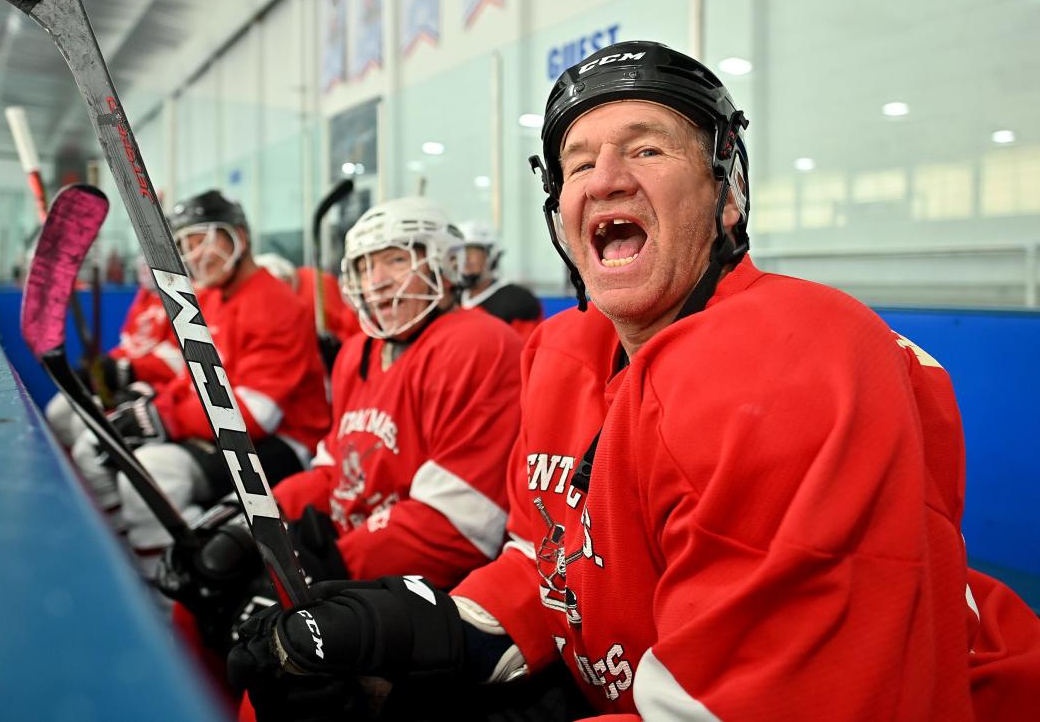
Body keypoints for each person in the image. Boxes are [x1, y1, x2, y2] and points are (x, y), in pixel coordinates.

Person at [226, 41, 1040, 721]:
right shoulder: (562, 352)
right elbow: (550, 565)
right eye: (578, 162)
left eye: (647, 147)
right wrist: (432, 627)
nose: (605, 177)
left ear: (728, 195)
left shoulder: (797, 358)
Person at [163, 196, 523, 665]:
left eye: (397, 259)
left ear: (446, 264)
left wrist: (320, 569)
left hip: (427, 586)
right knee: (201, 607)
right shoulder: (358, 352)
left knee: (274, 671)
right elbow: (334, 471)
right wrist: (253, 520)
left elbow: (457, 527)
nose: (378, 281)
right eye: (366, 265)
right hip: (356, 549)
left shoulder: (480, 344)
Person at [72, 189, 331, 576]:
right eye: (186, 244)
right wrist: (154, 407)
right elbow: (191, 378)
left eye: (203, 240)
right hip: (223, 424)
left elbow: (255, 415)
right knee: (96, 446)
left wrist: (167, 419)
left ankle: (175, 591)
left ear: (239, 237)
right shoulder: (209, 297)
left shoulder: (275, 304)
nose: (195, 254)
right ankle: (136, 559)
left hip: (285, 440)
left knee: (154, 470)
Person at [43, 255, 182, 449]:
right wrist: (105, 364)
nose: (144, 270)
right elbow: (129, 344)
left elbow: (176, 362)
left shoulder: (187, 298)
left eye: (149, 263)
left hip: (150, 388)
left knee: (81, 426)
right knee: (57, 412)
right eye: (142, 264)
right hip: (129, 382)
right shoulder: (144, 296)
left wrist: (123, 369)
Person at [455, 220, 543, 341]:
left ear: (492, 255)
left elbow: (526, 352)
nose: (464, 259)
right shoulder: (450, 296)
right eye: (459, 252)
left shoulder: (518, 301)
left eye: (471, 251)